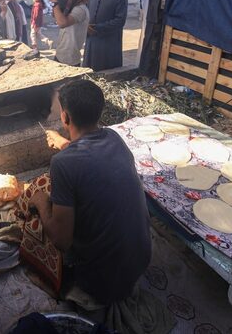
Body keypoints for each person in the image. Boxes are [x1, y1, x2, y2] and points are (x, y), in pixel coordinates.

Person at [31, 79, 151, 307]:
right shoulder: (114, 138)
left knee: (37, 224)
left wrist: (40, 201)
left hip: (102, 281)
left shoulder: (62, 164)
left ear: (65, 117)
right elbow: (88, 154)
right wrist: (64, 143)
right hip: (139, 263)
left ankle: (75, 288)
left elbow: (62, 240)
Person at [84, 0, 128, 71]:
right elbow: (86, 15)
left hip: (109, 45)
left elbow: (120, 21)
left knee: (107, 76)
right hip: (91, 44)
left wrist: (98, 28)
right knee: (89, 74)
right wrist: (86, 26)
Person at [48, 0, 89, 66]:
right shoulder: (72, 7)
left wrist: (55, 2)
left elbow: (62, 23)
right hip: (61, 55)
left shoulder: (80, 9)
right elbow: (56, 16)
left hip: (69, 60)